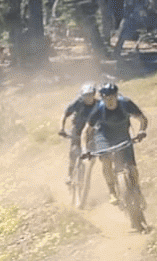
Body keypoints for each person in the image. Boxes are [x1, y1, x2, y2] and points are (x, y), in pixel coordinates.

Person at [78, 80, 149, 215]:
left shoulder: (126, 103)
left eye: (112, 97)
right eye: (106, 98)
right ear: (102, 98)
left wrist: (141, 131)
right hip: (103, 137)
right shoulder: (98, 110)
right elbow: (86, 132)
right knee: (105, 160)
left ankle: (137, 189)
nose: (109, 101)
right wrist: (84, 150)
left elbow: (142, 119)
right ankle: (112, 191)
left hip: (123, 135)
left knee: (132, 168)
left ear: (117, 95)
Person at [59, 82, 98, 183]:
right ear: (82, 96)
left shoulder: (99, 104)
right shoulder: (78, 103)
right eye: (85, 95)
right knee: (74, 151)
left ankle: (89, 174)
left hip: (92, 132)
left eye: (90, 95)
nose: (88, 98)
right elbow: (65, 115)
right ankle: (70, 175)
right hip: (77, 130)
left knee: (94, 152)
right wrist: (61, 129)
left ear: (94, 94)